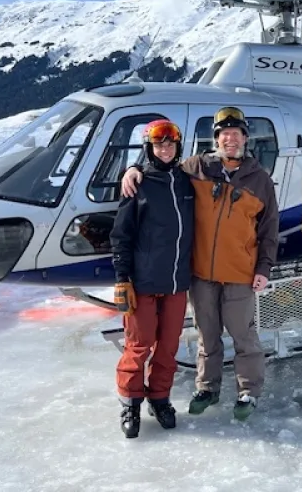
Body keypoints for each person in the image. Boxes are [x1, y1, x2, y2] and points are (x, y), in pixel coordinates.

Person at [121, 106, 279, 421]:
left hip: (240, 274)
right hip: (201, 274)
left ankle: (248, 390)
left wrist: (263, 268)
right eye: (224, 134)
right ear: (216, 138)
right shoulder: (195, 168)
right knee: (207, 335)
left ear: (245, 139)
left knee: (243, 335)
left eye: (236, 134)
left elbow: (269, 230)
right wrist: (133, 169)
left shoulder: (260, 180)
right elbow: (161, 164)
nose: (230, 140)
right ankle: (207, 387)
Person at [110, 119, 194, 438]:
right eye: (159, 145)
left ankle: (159, 398)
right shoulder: (138, 184)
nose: (165, 149)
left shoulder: (188, 181)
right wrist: (122, 279)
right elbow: (121, 235)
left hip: (176, 282)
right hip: (142, 283)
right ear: (149, 149)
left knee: (168, 347)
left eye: (171, 144)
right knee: (139, 345)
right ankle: (131, 403)